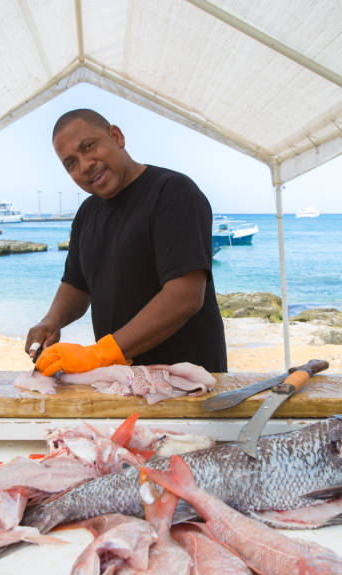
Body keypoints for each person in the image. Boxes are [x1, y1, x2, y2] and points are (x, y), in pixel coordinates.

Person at [26, 108, 227, 376]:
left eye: (89, 146)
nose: (85, 165)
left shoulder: (173, 192)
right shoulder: (87, 213)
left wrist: (98, 354)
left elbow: (185, 296)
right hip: (123, 380)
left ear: (117, 137)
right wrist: (51, 321)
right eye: (71, 163)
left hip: (189, 381)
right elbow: (77, 284)